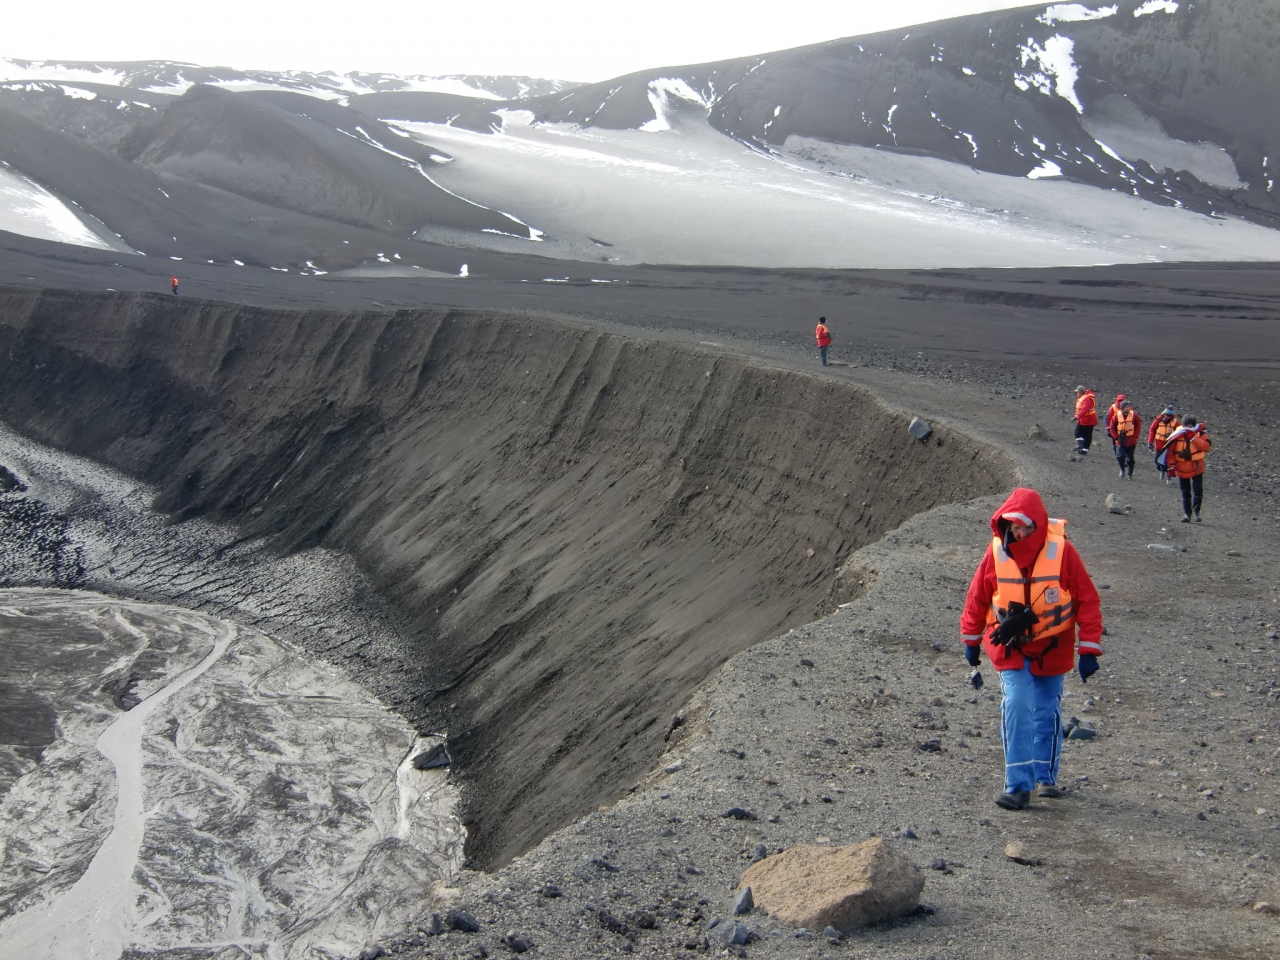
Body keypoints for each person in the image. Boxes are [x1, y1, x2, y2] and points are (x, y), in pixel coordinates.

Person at [960, 488, 1103, 810]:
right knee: (1017, 704)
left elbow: (1087, 600)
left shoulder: (1063, 553)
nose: (1019, 533)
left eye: (1025, 527)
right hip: (1008, 644)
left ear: (1038, 525)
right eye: (1013, 527)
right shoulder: (996, 553)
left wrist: (1089, 649)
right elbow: (977, 596)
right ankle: (1018, 786)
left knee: (1045, 711)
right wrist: (970, 639)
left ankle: (1045, 777)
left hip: (1052, 645)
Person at [1159, 415, 1211, 522]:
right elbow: (1170, 453)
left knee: (1198, 490)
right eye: (1186, 425)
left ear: (1193, 425)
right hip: (1182, 468)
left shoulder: (1200, 433)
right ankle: (1187, 514)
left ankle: (1196, 512)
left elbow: (1205, 447)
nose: (1187, 428)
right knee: (1185, 492)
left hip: (1197, 467)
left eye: (1189, 426)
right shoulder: (1177, 435)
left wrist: (1193, 437)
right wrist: (1171, 467)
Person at [1110, 399, 1142, 479]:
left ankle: (1130, 474)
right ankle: (1122, 470)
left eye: (1129, 407)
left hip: (1131, 440)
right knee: (1121, 456)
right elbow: (1112, 427)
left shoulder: (1134, 415)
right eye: (1126, 407)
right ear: (1122, 408)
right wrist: (1116, 437)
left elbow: (1138, 426)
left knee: (1130, 459)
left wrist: (1135, 436)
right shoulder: (1116, 416)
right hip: (1121, 440)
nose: (1128, 408)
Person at [1147, 405, 1179, 483]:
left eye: (1169, 415)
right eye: (1166, 414)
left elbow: (1178, 433)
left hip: (1169, 444)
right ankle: (1162, 470)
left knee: (1168, 461)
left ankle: (1168, 477)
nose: (1167, 417)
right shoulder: (1158, 420)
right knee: (1157, 460)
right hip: (1159, 443)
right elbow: (1152, 430)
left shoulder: (1175, 422)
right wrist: (1150, 442)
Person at [1072, 386, 1097, 455]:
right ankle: (1080, 446)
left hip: (1088, 420)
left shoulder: (1087, 399)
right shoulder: (1083, 398)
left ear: (1080, 392)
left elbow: (1084, 410)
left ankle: (1084, 449)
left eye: (1077, 392)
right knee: (1078, 432)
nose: (1077, 393)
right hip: (1082, 420)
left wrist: (1076, 417)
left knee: (1087, 435)